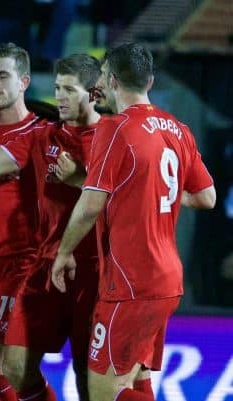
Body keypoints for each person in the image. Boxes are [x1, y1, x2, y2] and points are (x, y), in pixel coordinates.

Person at [0, 48, 102, 401]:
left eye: (3, 76)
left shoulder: (38, 134)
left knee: (3, 361)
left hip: (25, 260)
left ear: (24, 82)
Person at [50, 43, 216, 401]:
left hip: (131, 282)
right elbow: (207, 197)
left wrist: (63, 253)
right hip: (167, 279)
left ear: (109, 81)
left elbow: (91, 205)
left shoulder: (115, 128)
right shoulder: (178, 129)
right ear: (150, 82)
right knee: (136, 378)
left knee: (103, 391)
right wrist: (159, 195)